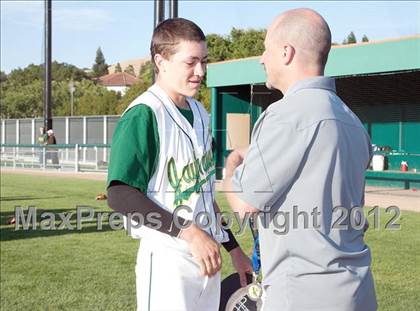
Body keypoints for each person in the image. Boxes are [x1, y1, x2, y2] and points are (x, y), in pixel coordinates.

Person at [223, 8, 377, 311]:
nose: (262, 59)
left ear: (285, 52)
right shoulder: (351, 120)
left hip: (304, 294)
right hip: (357, 291)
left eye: (266, 50)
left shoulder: (285, 114)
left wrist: (233, 163)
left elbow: (244, 202)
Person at [106, 18, 252, 311]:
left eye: (204, 61)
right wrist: (189, 232)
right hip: (167, 261)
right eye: (191, 62)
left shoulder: (200, 112)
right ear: (161, 61)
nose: (200, 71)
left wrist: (234, 249)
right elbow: (120, 194)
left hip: (207, 256)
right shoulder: (144, 114)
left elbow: (204, 196)